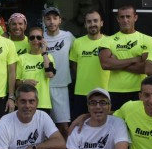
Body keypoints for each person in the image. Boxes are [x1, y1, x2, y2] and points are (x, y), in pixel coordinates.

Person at [98, 5, 152, 110]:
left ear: (135, 17)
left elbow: (146, 68)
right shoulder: (108, 40)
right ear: (117, 19)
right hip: (115, 90)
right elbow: (105, 64)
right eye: (122, 17)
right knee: (116, 124)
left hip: (138, 90)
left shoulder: (147, 39)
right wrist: (135, 59)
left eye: (128, 16)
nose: (125, 20)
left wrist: (116, 62)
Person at [69, 10, 110, 118]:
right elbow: (74, 65)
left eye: (95, 21)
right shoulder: (77, 42)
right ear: (85, 24)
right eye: (89, 21)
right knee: (80, 125)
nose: (92, 24)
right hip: (81, 92)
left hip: (104, 91)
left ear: (101, 23)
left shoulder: (110, 42)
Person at [42, 7, 75, 137]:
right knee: (43, 127)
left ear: (60, 20)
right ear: (44, 20)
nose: (52, 22)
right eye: (48, 18)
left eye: (55, 18)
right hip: (43, 86)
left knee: (64, 127)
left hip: (61, 86)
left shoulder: (68, 36)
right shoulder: (39, 37)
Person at [16, 27, 55, 114]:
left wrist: (44, 53)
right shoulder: (21, 58)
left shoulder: (48, 57)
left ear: (43, 39)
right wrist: (24, 82)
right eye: (32, 37)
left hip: (43, 103)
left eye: (39, 37)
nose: (35, 40)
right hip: (25, 103)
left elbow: (50, 74)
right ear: (29, 40)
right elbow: (16, 82)